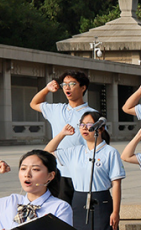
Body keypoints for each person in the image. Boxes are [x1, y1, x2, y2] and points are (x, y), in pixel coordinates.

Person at [30, 72, 94, 204]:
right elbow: (34, 103)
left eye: (72, 84)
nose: (67, 87)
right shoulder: (57, 109)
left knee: (79, 212)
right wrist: (47, 89)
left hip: (81, 171)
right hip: (59, 171)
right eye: (64, 84)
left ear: (83, 88)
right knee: (59, 210)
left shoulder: (92, 114)